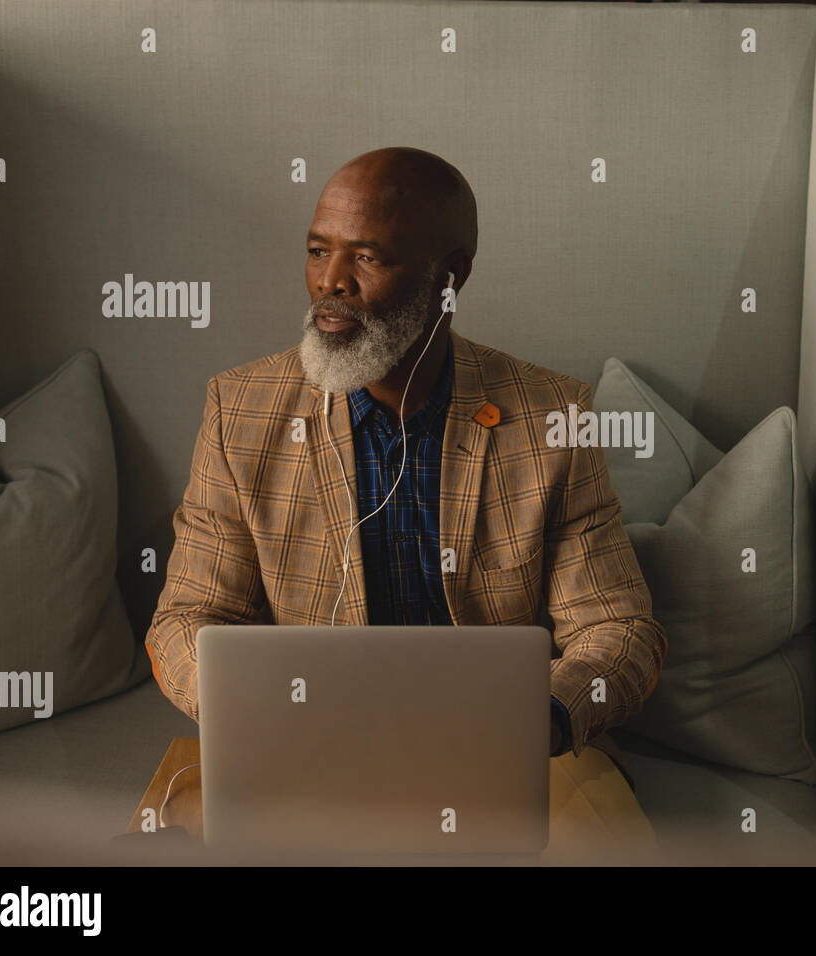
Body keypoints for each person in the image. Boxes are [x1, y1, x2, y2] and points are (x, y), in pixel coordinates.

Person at [144, 147, 666, 862]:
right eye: (318, 251)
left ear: (450, 277)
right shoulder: (241, 410)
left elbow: (619, 628)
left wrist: (540, 719)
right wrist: (252, 714)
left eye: (368, 258)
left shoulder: (554, 416)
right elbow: (184, 619)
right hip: (295, 753)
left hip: (504, 760)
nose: (331, 283)